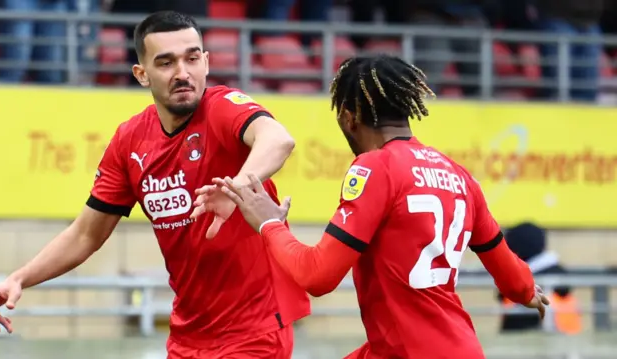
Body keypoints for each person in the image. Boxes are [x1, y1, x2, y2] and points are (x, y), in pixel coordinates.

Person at [0, 11, 309, 359]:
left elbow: (278, 140)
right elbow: (86, 235)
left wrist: (237, 189)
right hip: (188, 335)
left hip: (255, 331)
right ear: (141, 74)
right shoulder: (130, 140)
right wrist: (18, 278)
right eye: (166, 63)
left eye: (192, 58)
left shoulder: (222, 108)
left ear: (207, 63)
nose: (183, 73)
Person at [207, 55, 550, 358]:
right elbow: (511, 275)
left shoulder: (376, 168)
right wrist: (527, 292)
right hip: (450, 348)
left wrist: (270, 225)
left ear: (348, 117)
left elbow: (318, 276)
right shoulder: (458, 175)